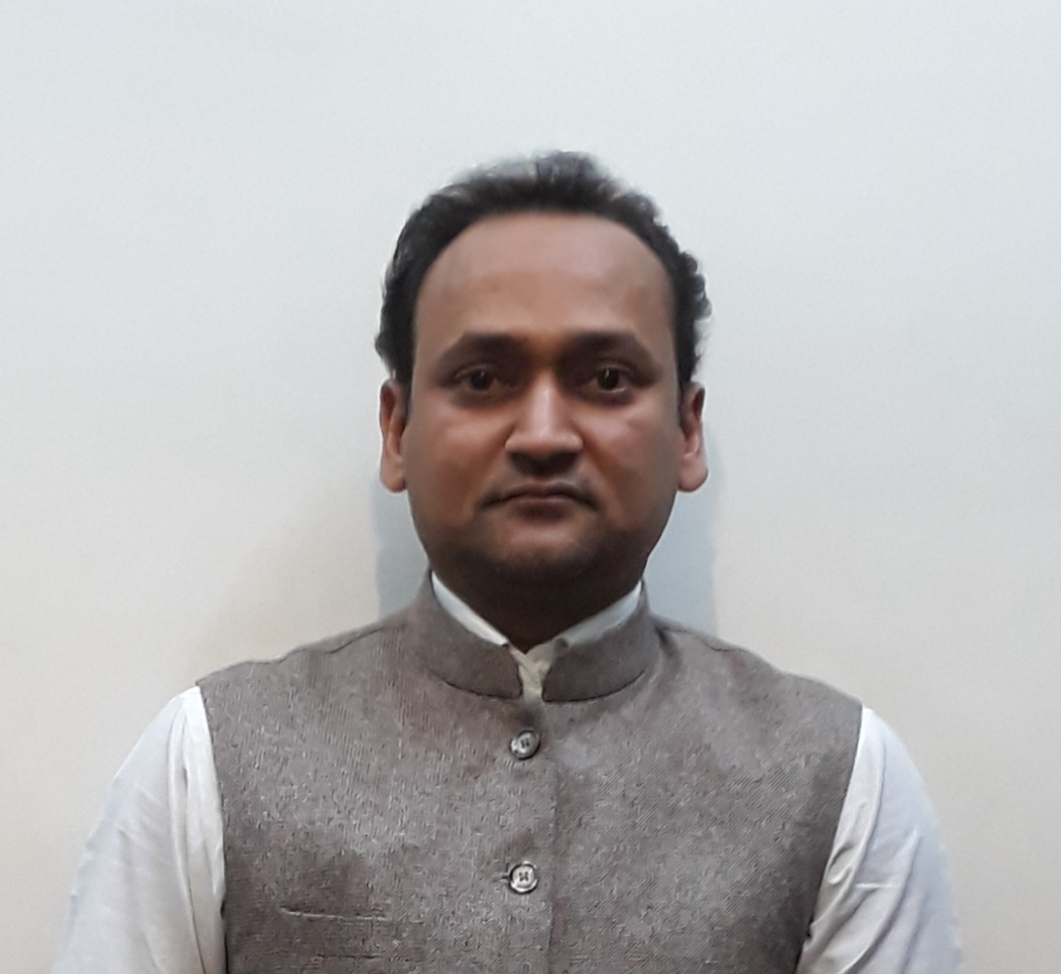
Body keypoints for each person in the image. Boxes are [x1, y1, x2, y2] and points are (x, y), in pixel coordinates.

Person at [53, 152, 962, 973]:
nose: (542, 435)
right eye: (483, 380)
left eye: (606, 379)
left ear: (686, 432)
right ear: (397, 430)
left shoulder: (838, 777)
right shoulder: (209, 759)